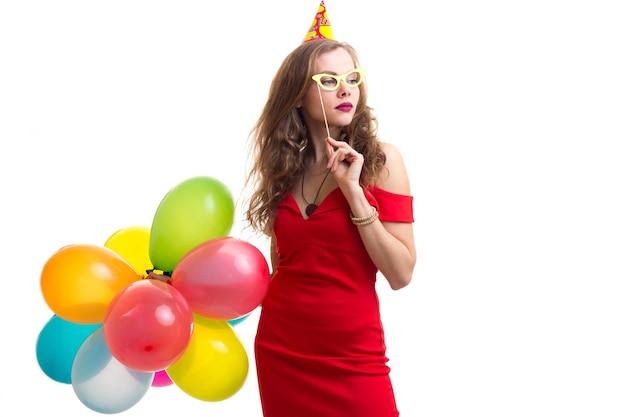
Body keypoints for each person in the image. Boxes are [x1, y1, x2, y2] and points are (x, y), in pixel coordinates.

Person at [243, 38, 416, 417]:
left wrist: (353, 193)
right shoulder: (286, 169)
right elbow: (282, 268)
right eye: (328, 80)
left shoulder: (381, 161)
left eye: (352, 78)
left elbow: (401, 273)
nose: (345, 90)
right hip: (280, 351)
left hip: (354, 358)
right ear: (298, 94)